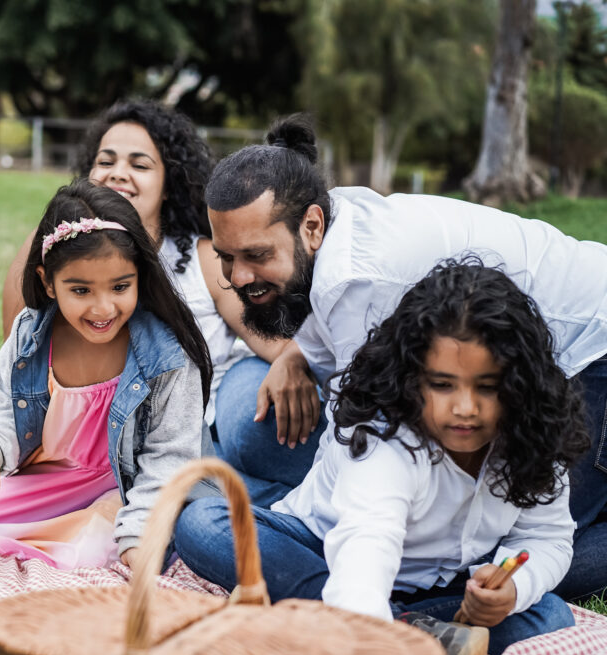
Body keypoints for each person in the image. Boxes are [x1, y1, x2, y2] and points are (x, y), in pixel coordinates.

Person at [189, 112, 607, 600]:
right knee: (230, 490)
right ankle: (396, 604)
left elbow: (362, 441)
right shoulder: (325, 232)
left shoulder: (359, 282)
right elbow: (362, 450)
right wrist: (296, 355)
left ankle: (410, 607)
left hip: (589, 349)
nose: (238, 277)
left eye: (257, 255)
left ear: (311, 227)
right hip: (378, 513)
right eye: (226, 257)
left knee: (534, 552)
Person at [176, 261, 588, 655]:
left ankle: (377, 625)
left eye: (486, 386)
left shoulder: (533, 438)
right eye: (443, 385)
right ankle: (394, 632)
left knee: (548, 616)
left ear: (519, 384)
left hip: (437, 586)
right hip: (321, 552)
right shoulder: (386, 440)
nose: (465, 407)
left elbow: (546, 537)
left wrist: (512, 588)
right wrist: (371, 650)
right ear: (413, 380)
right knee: (205, 523)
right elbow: (365, 547)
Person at [0, 100, 321, 491]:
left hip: (206, 420)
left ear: (169, 181)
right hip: (113, 447)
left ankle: (246, 497)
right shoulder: (59, 251)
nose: (118, 172)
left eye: (140, 164)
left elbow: (274, 342)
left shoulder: (202, 257)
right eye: (105, 160)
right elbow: (19, 369)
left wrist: (292, 358)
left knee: (250, 429)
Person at [0, 180, 217, 570]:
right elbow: (8, 412)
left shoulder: (168, 356)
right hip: (51, 486)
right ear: (48, 281)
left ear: (140, 276)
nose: (103, 308)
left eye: (120, 286)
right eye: (80, 290)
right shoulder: (30, 336)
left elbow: (169, 459)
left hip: (130, 489)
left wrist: (139, 533)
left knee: (91, 555)